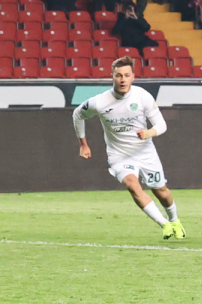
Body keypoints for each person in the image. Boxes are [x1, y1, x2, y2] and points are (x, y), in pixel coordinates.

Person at [73, 57, 185, 239]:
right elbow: (77, 115)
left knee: (161, 192)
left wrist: (149, 132)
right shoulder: (99, 102)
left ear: (133, 77)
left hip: (145, 153)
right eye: (118, 75)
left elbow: (161, 125)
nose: (122, 80)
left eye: (126, 75)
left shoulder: (142, 96)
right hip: (119, 155)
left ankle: (174, 220)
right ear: (112, 77)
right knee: (132, 185)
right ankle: (164, 224)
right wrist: (83, 144)